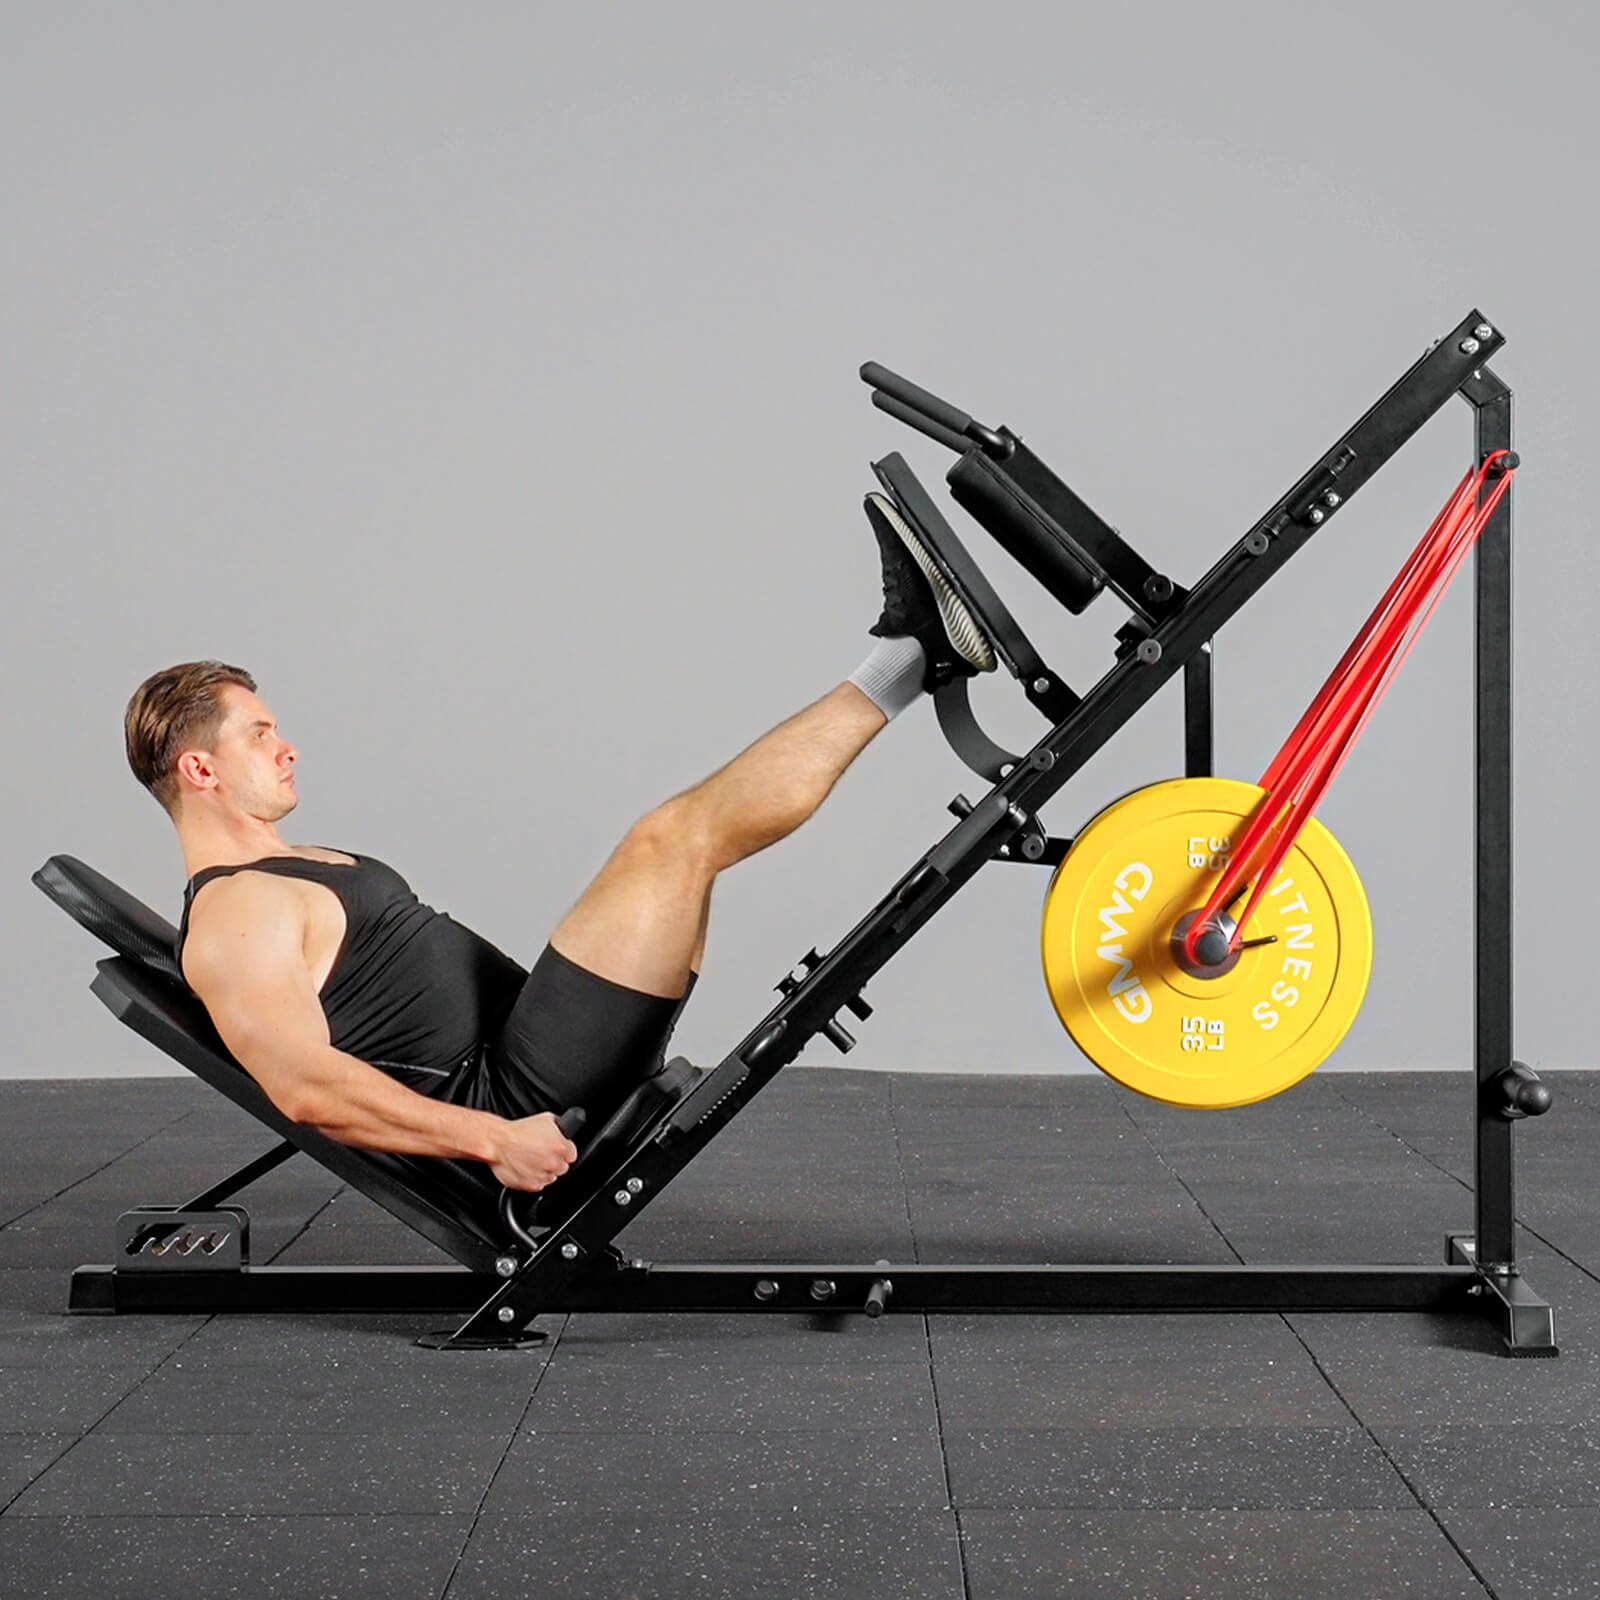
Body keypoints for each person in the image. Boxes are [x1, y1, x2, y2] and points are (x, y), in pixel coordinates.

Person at [123, 496, 996, 1194]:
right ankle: (914, 654)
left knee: (684, 846)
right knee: (674, 839)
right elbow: (303, 1085)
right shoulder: (235, 915)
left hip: (529, 1047)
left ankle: (918, 654)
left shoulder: (280, 870)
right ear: (200, 769)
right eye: (259, 735)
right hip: (520, 1098)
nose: (287, 748)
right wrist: (495, 1139)